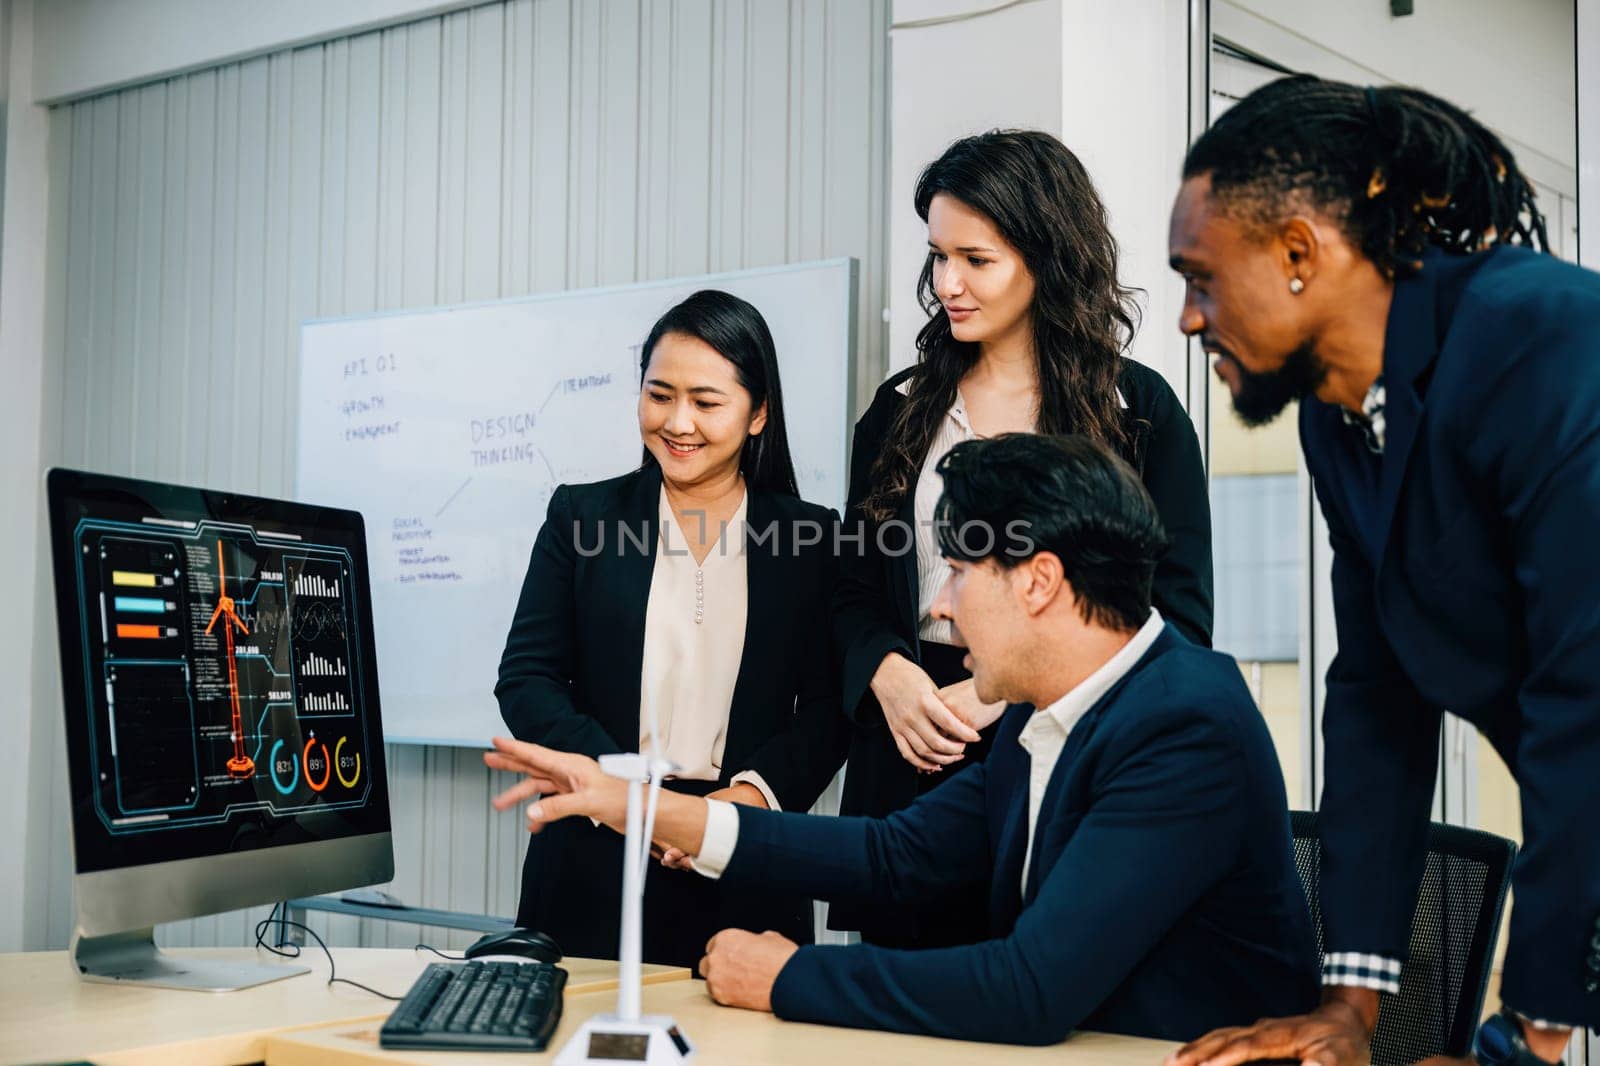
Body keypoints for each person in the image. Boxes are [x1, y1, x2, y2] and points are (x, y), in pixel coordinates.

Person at [488, 434, 1317, 1045]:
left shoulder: (1184, 724)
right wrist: (641, 806)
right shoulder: (1050, 707)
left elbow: (1030, 989)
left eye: (958, 571)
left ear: (1039, 581)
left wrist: (788, 976)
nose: (941, 608)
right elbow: (896, 854)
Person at [1165, 76, 1600, 1066]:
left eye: (1199, 277)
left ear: (1296, 255)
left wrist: (1524, 1044)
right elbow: (1376, 695)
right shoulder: (1339, 413)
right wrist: (1345, 1011)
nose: (1190, 319)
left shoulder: (1545, 340)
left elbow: (1589, 698)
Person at [834, 130, 1214, 948]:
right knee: (902, 1011)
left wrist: (1001, 691)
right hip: (915, 741)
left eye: (976, 259)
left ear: (1045, 255)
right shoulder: (900, 411)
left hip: (1070, 741)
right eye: (938, 257)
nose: (947, 284)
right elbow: (851, 591)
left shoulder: (1139, 416)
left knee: (1048, 994)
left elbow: (1180, 617)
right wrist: (889, 675)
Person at [494, 289, 847, 970]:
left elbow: (830, 709)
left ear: (758, 414)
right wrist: (628, 796)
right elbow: (528, 679)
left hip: (743, 853)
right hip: (596, 849)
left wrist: (743, 800)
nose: (678, 421)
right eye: (660, 395)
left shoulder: (810, 538)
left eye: (706, 402)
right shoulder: (582, 517)